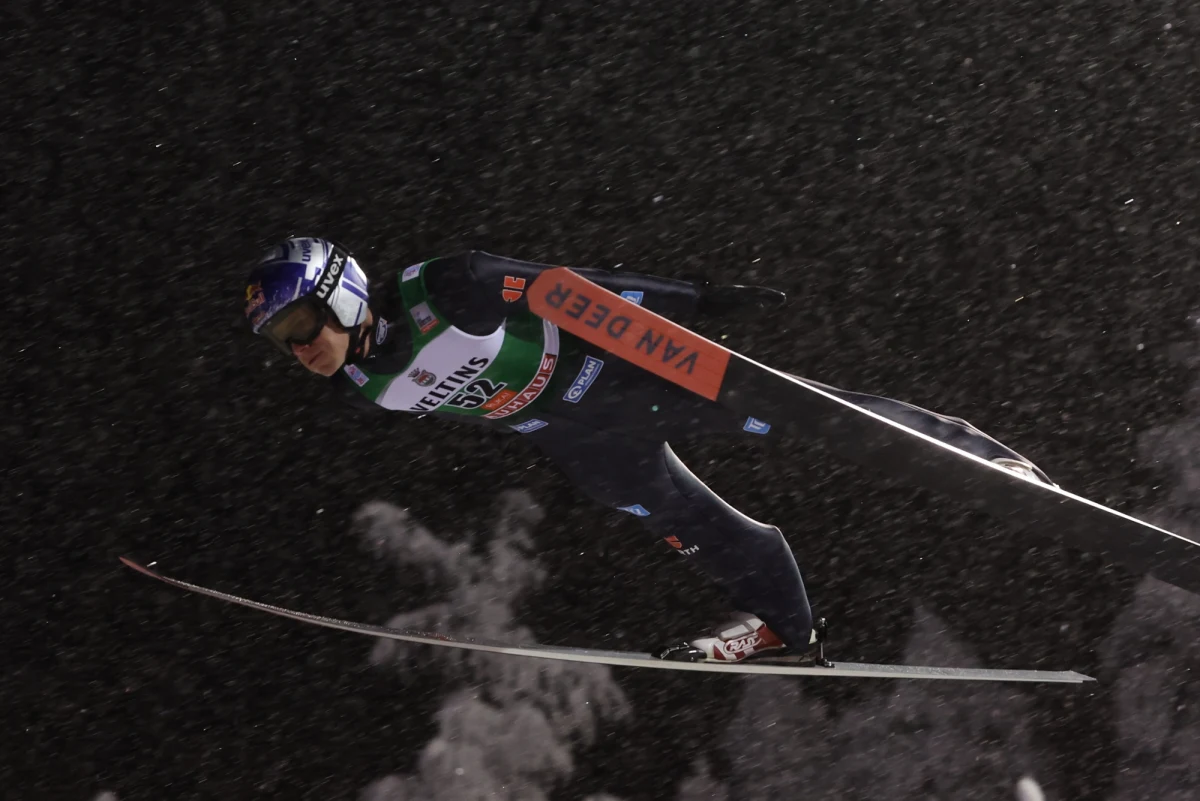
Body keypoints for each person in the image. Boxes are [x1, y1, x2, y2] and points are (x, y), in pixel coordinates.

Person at [244, 237, 1054, 663]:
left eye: (299, 323)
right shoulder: (358, 383)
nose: (299, 348)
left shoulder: (446, 286)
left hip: (626, 381)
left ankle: (983, 458)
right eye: (282, 341)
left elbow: (572, 290)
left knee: (814, 415)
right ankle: (787, 629)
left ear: (342, 291)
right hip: (575, 440)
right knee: (688, 523)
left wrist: (695, 299)